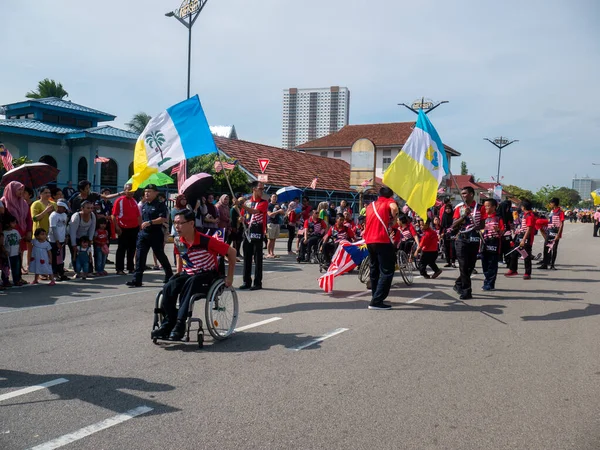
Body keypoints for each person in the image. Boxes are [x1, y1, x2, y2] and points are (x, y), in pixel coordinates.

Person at [151, 210, 237, 341]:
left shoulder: (206, 240)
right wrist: (178, 273)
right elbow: (180, 256)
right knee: (169, 285)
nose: (176, 226)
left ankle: (180, 324)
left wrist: (229, 277)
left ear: (191, 223)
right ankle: (168, 323)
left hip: (207, 276)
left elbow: (232, 252)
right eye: (175, 223)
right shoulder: (178, 241)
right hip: (189, 274)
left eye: (180, 223)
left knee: (192, 281)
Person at [127, 184, 173, 287]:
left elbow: (163, 219)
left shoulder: (160, 205)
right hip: (144, 234)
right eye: (146, 191)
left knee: (160, 255)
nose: (147, 193)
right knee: (140, 257)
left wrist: (150, 222)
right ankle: (137, 280)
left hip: (155, 234)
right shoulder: (144, 205)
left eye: (150, 191)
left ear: (156, 193)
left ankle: (169, 274)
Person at [363, 186, 399, 310]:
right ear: (390, 196)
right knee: (387, 270)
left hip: (369, 240)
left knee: (374, 269)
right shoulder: (389, 202)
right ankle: (377, 301)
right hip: (381, 239)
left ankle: (375, 295)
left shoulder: (370, 205)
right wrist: (394, 218)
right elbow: (394, 208)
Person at [452, 187, 484, 300]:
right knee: (463, 265)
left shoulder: (480, 208)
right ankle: (467, 290)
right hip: (462, 238)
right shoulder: (459, 208)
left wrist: (476, 226)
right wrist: (464, 216)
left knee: (470, 266)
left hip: (474, 238)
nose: (463, 195)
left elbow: (482, 224)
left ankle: (458, 284)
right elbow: (454, 224)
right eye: (462, 193)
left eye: (465, 193)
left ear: (471, 194)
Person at [240, 181, 268, 291]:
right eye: (260, 189)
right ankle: (246, 281)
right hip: (247, 232)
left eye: (263, 189)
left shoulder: (264, 202)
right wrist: (240, 219)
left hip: (257, 232)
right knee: (247, 257)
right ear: (254, 189)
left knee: (257, 258)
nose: (262, 191)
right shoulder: (247, 203)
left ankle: (257, 282)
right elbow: (243, 216)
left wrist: (241, 205)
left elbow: (254, 211)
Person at [1, 181, 33, 275]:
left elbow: (28, 219)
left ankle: (17, 276)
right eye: (19, 189)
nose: (21, 191)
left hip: (20, 233)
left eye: (22, 189)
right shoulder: (3, 202)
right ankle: (6, 278)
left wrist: (29, 231)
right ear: (12, 190)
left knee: (19, 254)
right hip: (7, 233)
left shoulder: (23, 203)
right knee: (5, 256)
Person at [112, 183, 141, 275]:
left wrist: (140, 227)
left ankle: (131, 268)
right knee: (121, 249)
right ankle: (119, 269)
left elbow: (138, 215)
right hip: (123, 228)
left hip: (134, 228)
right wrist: (117, 227)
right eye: (129, 190)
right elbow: (113, 215)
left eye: (133, 190)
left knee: (132, 249)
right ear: (125, 190)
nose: (131, 192)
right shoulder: (119, 200)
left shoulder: (134, 201)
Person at [506, 199, 535, 279]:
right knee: (514, 253)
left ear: (523, 207)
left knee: (526, 255)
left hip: (526, 238)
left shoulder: (530, 216)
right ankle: (513, 269)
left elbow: (529, 229)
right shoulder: (525, 215)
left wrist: (523, 240)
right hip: (520, 236)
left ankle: (527, 273)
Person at [481, 199, 504, 291]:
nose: (486, 208)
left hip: (494, 242)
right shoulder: (483, 218)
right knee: (484, 263)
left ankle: (490, 283)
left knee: (492, 264)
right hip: (484, 242)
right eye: (485, 206)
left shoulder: (498, 218)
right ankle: (487, 280)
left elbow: (502, 231)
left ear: (494, 207)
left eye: (488, 206)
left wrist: (497, 230)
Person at [69, 200, 96, 270]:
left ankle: (89, 270)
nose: (90, 210)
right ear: (82, 208)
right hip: (75, 237)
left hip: (85, 238)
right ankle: (77, 271)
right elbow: (72, 232)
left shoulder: (92, 215)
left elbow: (92, 228)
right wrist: (74, 244)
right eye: (88, 208)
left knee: (87, 253)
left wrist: (90, 239)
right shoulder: (76, 216)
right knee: (75, 255)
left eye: (91, 208)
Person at [539, 197, 564, 270]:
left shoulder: (560, 212)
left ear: (553, 203)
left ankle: (552, 264)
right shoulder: (551, 211)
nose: (550, 205)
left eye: (550, 203)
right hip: (549, 231)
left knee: (554, 248)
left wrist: (558, 234)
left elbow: (561, 224)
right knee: (546, 247)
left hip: (555, 232)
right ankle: (545, 264)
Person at [48, 200, 70, 281]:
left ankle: (61, 273)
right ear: (59, 207)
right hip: (54, 241)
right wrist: (57, 241)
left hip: (62, 239)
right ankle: (54, 273)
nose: (64, 210)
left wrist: (66, 236)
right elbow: (53, 229)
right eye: (63, 208)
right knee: (54, 258)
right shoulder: (53, 216)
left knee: (61, 258)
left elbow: (65, 226)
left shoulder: (64, 215)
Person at [2, 214, 26, 286]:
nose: (15, 224)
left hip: (16, 253)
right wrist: (4, 251)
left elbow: (19, 241)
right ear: (7, 223)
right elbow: (2, 244)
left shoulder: (16, 231)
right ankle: (6, 281)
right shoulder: (4, 233)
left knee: (16, 268)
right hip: (8, 254)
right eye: (13, 222)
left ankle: (17, 280)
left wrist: (19, 249)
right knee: (6, 269)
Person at [266, 194, 284, 258]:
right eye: (273, 197)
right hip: (271, 223)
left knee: (274, 239)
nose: (275, 198)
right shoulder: (269, 205)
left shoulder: (277, 205)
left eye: (276, 197)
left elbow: (282, 213)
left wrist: (280, 210)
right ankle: (268, 253)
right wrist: (277, 211)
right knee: (270, 239)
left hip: (277, 223)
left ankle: (272, 253)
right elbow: (270, 214)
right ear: (270, 198)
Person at [440, 203, 456, 267]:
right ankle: (448, 262)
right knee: (446, 248)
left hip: (453, 232)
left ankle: (453, 262)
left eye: (449, 208)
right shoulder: (444, 215)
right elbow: (442, 225)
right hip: (446, 233)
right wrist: (440, 233)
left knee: (452, 247)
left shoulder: (453, 215)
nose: (448, 210)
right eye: (446, 209)